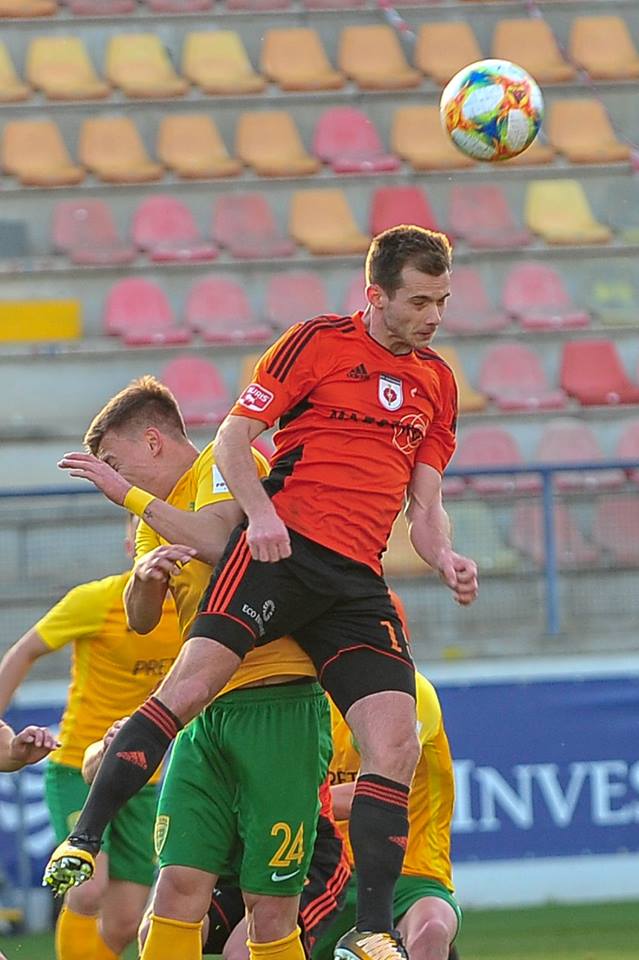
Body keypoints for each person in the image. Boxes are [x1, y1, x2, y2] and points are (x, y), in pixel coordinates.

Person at [47, 225, 478, 960]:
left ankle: (372, 929)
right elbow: (233, 437)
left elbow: (425, 502)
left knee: (396, 745)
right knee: (187, 690)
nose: (433, 316)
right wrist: (266, 515)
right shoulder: (316, 341)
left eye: (441, 301)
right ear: (375, 295)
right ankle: (85, 838)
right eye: (418, 301)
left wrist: (443, 555)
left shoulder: (436, 383)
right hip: (283, 553)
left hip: (354, 578)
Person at [45, 377, 333, 960]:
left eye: (114, 462)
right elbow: (141, 618)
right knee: (175, 888)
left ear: (152, 441)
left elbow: (222, 540)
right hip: (202, 713)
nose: (113, 478)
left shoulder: (224, 464)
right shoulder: (158, 514)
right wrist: (144, 581)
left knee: (269, 908)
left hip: (276, 702)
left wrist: (128, 495)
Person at [0, 517, 181, 960]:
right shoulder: (96, 601)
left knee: (125, 921)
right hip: (78, 766)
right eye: (147, 535)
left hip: (147, 777)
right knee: (86, 886)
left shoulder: (197, 608)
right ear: (130, 545)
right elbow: (25, 650)